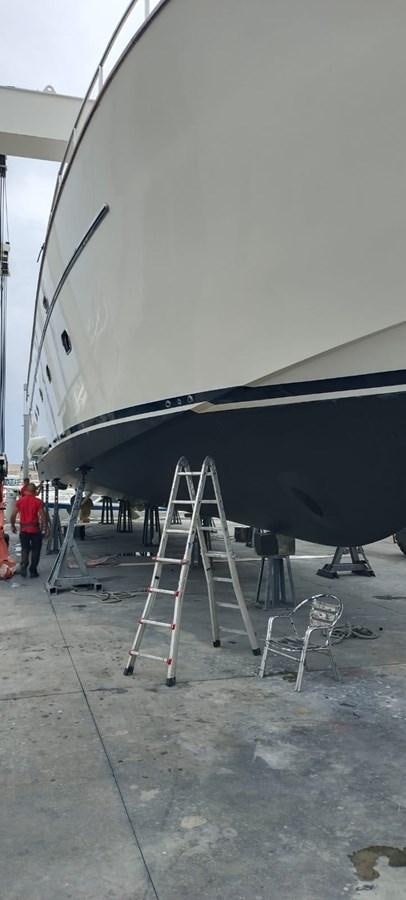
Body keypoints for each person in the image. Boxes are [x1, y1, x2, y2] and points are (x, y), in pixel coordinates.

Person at [11, 483, 47, 577]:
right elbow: (42, 516)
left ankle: (24, 565)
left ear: (26, 491)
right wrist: (44, 528)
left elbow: (13, 515)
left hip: (24, 529)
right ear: (35, 491)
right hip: (35, 529)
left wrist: (13, 525)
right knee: (36, 550)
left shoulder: (20, 501)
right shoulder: (38, 501)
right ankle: (33, 570)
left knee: (25, 549)